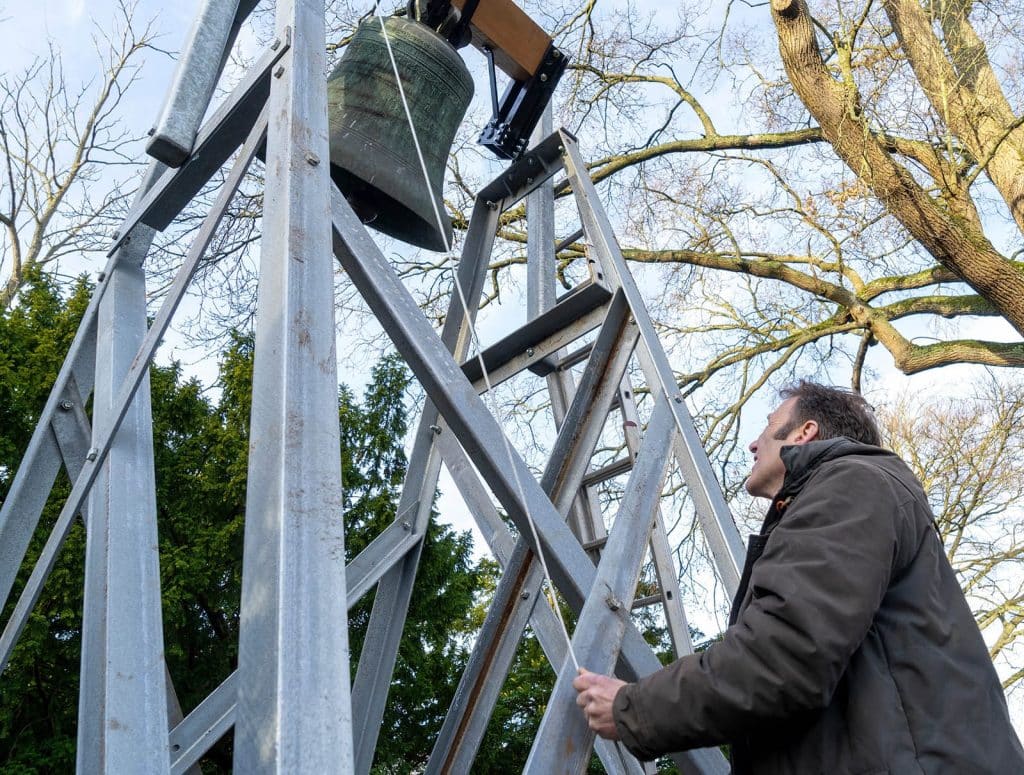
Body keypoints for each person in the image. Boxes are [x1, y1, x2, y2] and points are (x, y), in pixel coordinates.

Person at [573, 381, 1024, 773]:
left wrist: (633, 709)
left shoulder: (849, 485)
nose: (753, 444)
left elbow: (785, 654)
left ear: (804, 433)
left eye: (769, 425)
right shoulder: (855, 493)